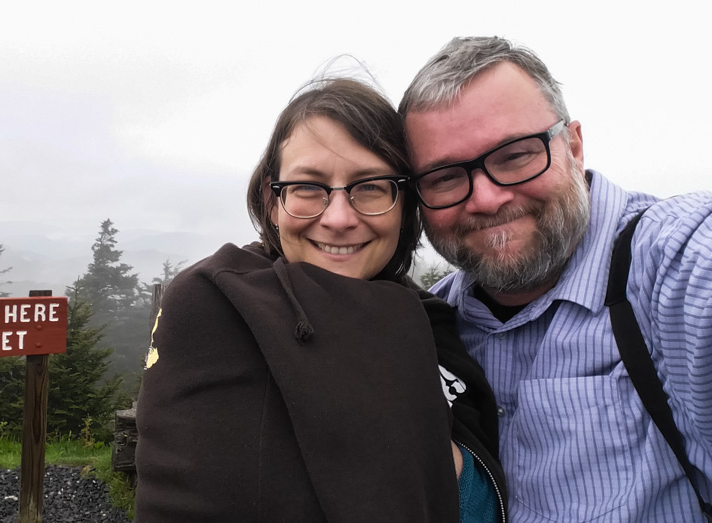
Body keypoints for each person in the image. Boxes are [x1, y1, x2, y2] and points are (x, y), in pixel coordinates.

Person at [135, 76, 505, 522]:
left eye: (370, 186)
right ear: (273, 201)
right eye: (309, 186)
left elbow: (482, 504)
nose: (338, 218)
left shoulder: (434, 324)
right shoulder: (216, 304)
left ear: (404, 204)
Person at [399, 36, 712, 522]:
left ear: (574, 146)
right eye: (444, 177)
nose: (485, 199)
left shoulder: (673, 261)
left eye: (515, 156)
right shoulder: (429, 330)